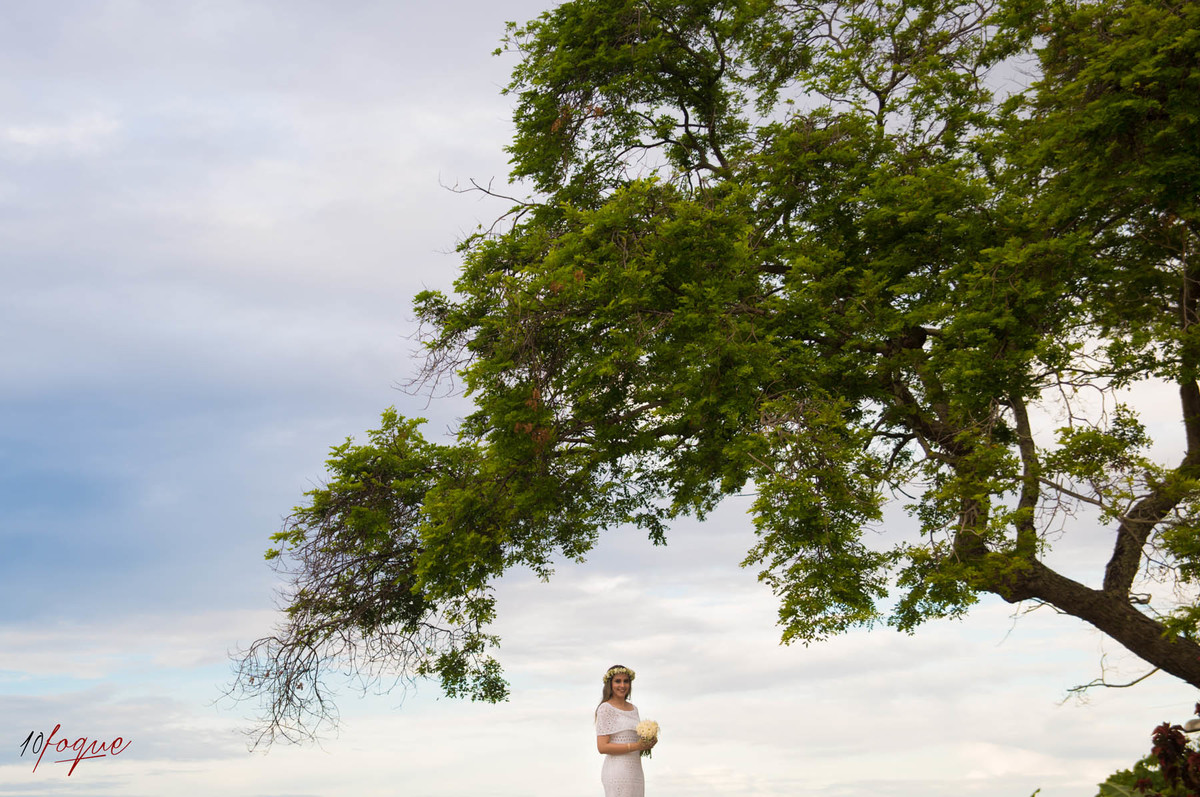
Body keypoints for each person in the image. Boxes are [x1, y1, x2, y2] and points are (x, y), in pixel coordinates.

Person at [594, 664, 656, 797]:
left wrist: (648, 742)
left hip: (636, 771)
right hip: (617, 771)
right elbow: (602, 747)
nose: (622, 685)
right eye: (618, 681)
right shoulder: (605, 708)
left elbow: (636, 743)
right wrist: (635, 746)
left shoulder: (634, 709)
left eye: (626, 681)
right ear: (609, 684)